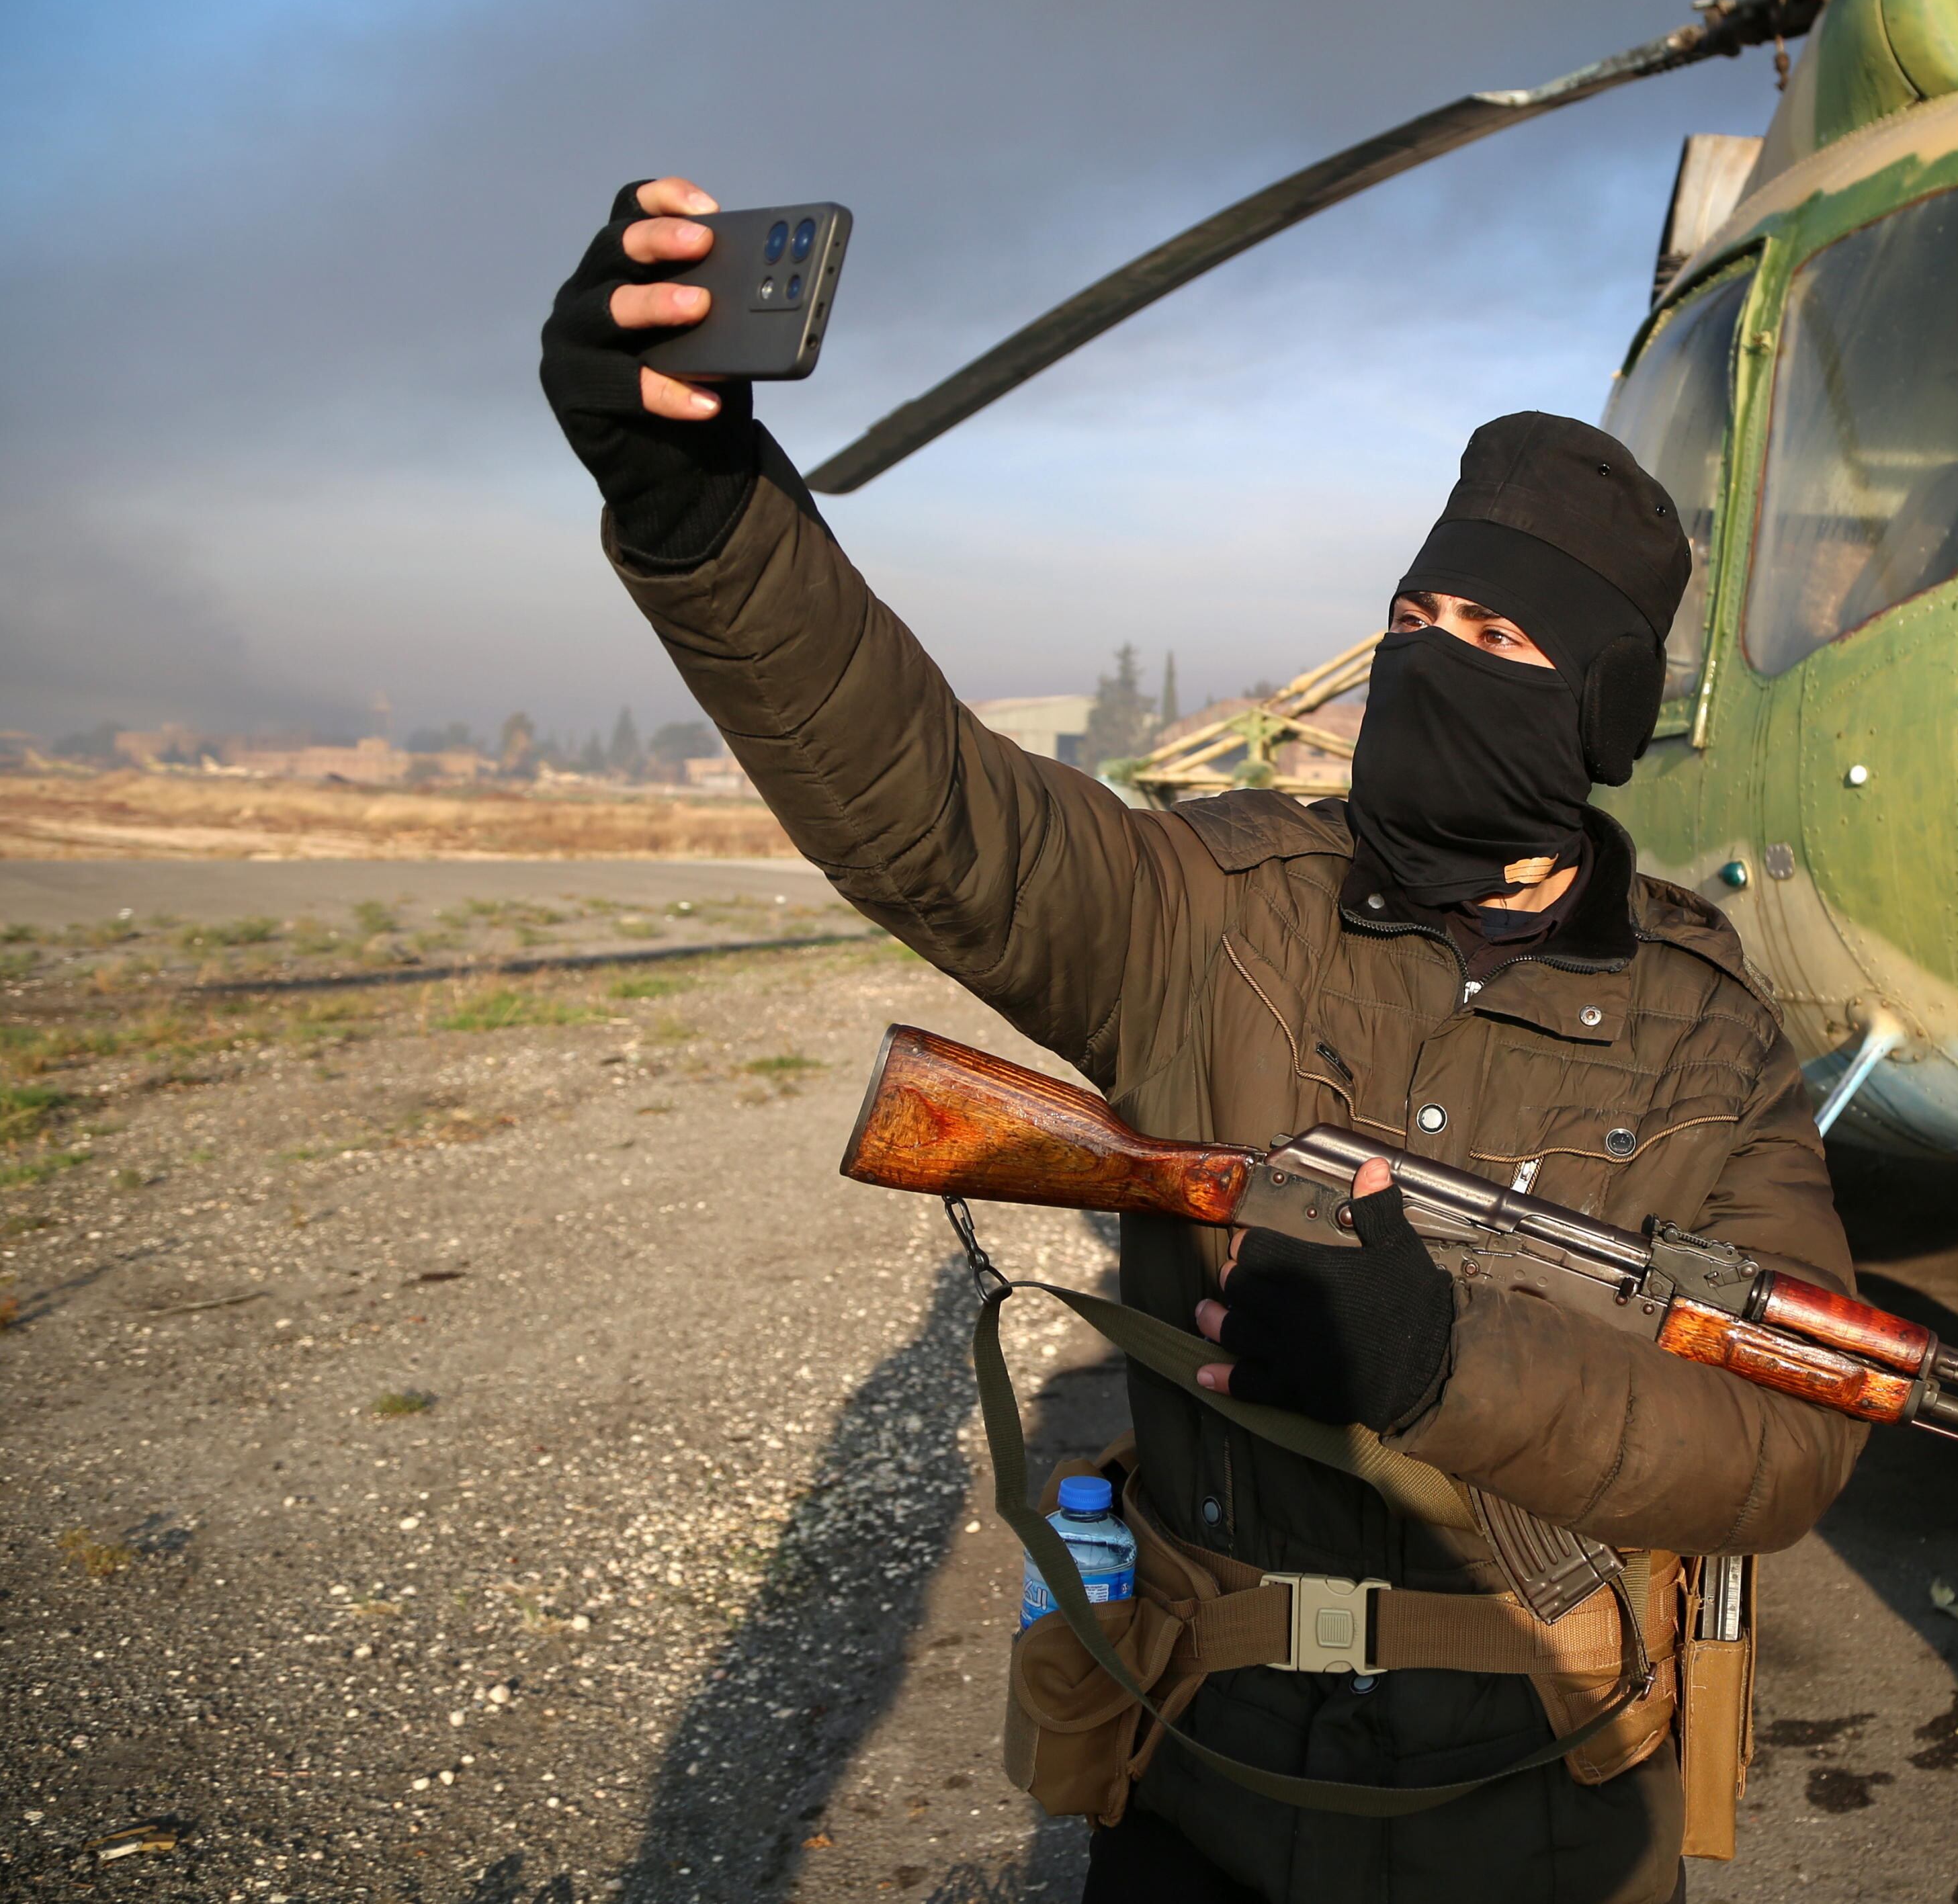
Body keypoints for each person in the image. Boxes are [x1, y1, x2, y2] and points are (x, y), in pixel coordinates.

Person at [538, 180, 1865, 1904]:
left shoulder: (1708, 1034)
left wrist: (1446, 1363)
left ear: (1597, 709)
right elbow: (928, 802)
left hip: (1547, 1806)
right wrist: (694, 503)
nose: (1434, 668)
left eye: (1500, 640)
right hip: (1204, 1779)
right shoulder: (1212, 907)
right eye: (1416, 625)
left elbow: (1782, 1440)